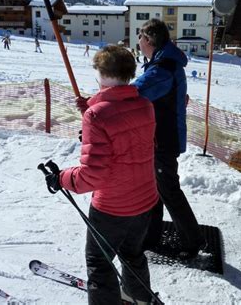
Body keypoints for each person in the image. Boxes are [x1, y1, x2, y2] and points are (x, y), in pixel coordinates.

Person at [46, 45, 158, 305]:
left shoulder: (96, 116)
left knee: (100, 262)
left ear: (103, 73)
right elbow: (124, 131)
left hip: (112, 207)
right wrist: (91, 106)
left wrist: (61, 177)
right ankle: (138, 298)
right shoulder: (144, 105)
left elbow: (91, 177)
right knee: (133, 254)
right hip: (145, 201)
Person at [133, 18, 205, 260]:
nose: (138, 43)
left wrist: (97, 102)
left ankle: (193, 241)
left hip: (163, 140)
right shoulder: (164, 63)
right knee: (155, 190)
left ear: (150, 40)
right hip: (160, 138)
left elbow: (133, 94)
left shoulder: (162, 68)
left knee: (168, 190)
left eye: (140, 38)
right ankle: (151, 235)